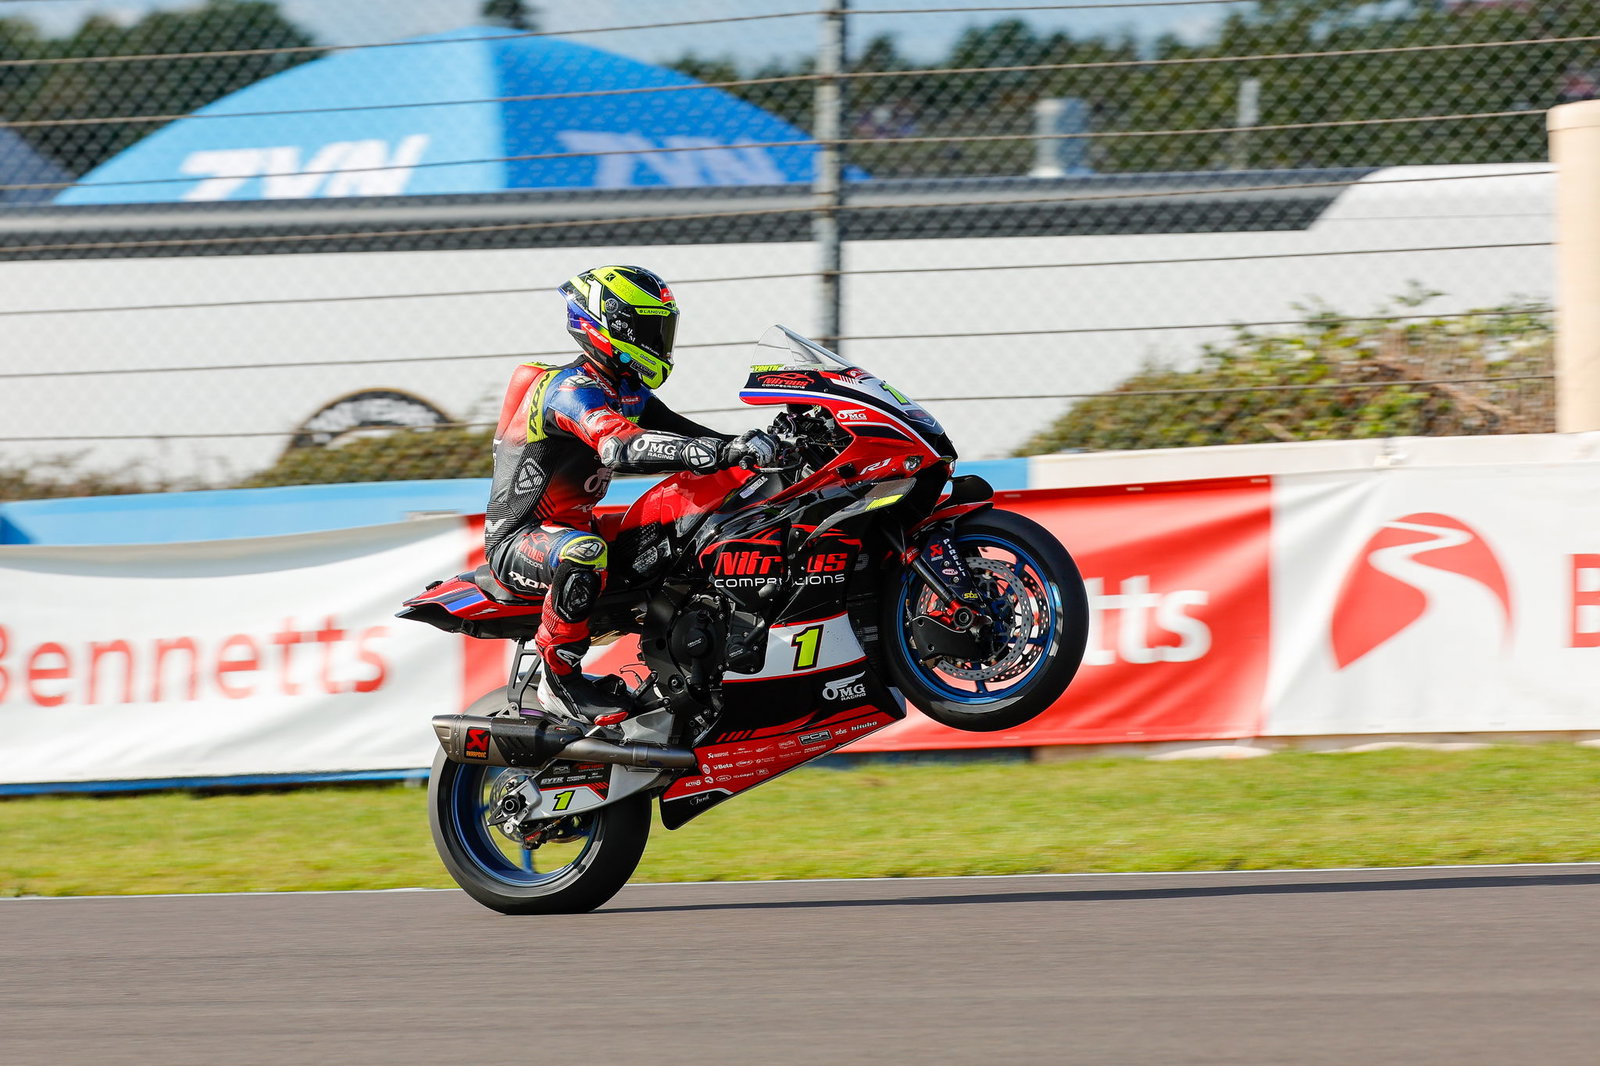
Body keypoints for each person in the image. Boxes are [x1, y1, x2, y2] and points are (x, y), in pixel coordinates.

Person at [484, 265, 776, 722]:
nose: (659, 338)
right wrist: (718, 452)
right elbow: (620, 446)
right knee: (584, 551)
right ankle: (557, 678)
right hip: (519, 539)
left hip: (581, 526)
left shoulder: (626, 392)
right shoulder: (567, 389)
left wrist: (761, 449)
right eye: (649, 326)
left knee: (690, 525)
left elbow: (697, 437)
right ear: (613, 325)